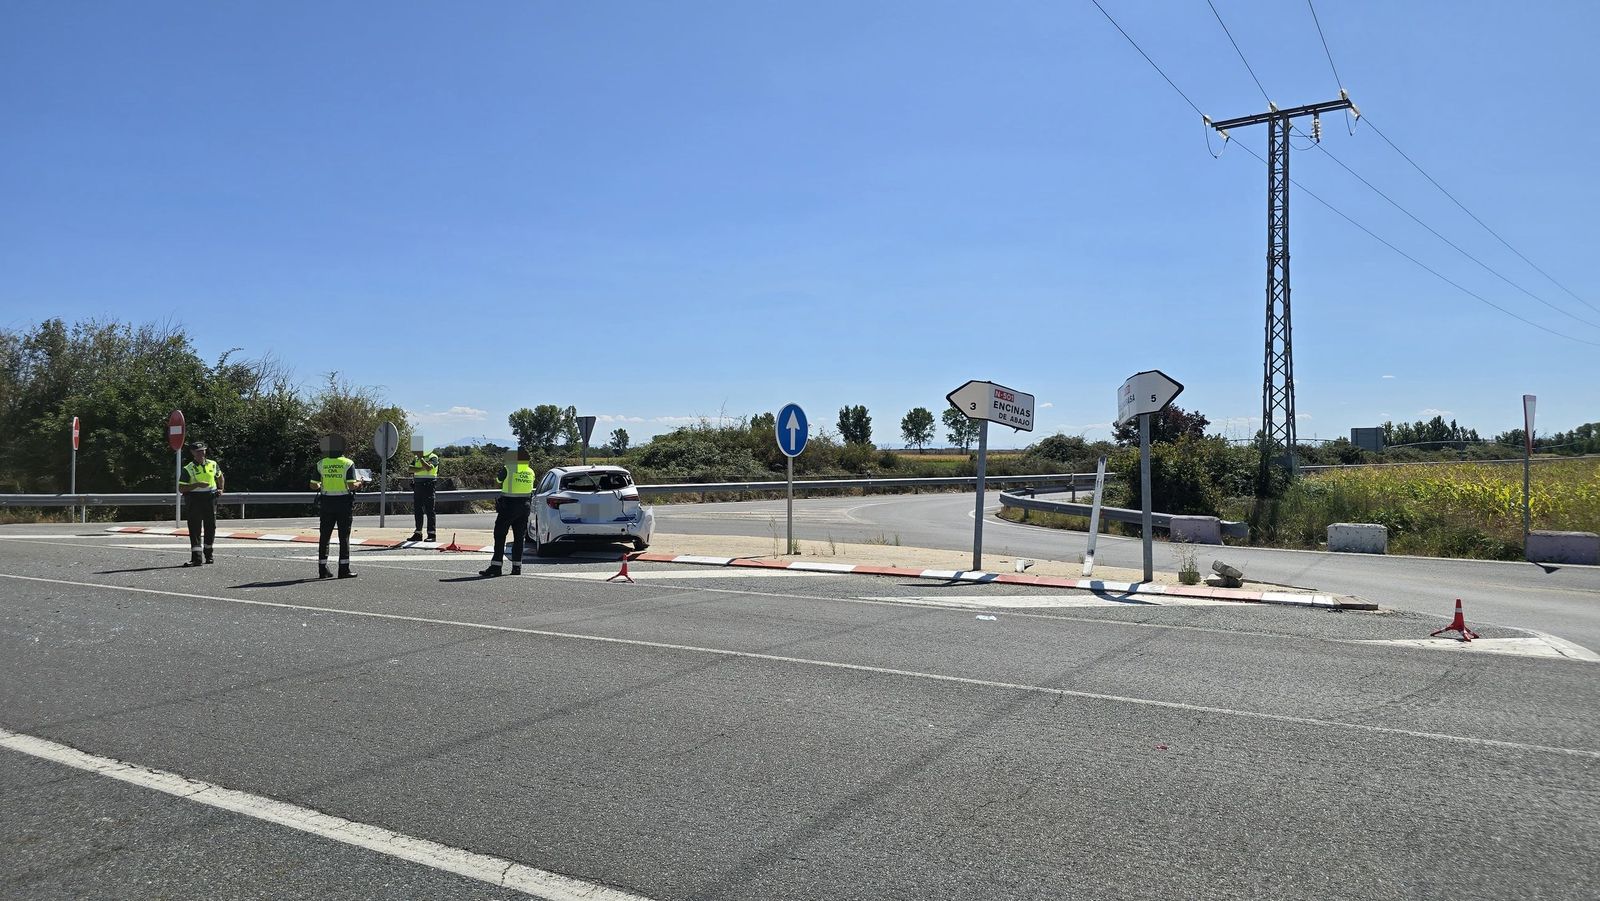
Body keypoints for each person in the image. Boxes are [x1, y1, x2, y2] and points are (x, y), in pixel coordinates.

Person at [309, 435, 364, 579]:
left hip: (326, 503)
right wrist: (361, 483)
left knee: (324, 536)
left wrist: (321, 484)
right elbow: (352, 485)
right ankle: (343, 569)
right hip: (343, 503)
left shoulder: (321, 463)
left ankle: (322, 569)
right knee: (343, 537)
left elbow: (313, 485)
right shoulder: (347, 463)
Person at [481, 449, 535, 577]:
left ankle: (496, 567)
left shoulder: (508, 469)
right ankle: (517, 567)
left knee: (499, 535)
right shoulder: (530, 471)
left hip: (509, 506)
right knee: (519, 538)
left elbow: (498, 481)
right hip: (525, 506)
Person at [178, 441, 224, 566]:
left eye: (203, 450)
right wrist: (197, 485)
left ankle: (209, 555)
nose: (201, 453)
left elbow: (219, 476)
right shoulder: (188, 468)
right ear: (193, 453)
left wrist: (221, 488)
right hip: (194, 499)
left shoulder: (213, 464)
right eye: (198, 451)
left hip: (210, 498)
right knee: (195, 528)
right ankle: (196, 558)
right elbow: (181, 488)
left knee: (211, 526)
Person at [408, 446, 440, 542]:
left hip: (429, 485)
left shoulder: (433, 457)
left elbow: (429, 468)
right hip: (418, 485)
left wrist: (421, 462)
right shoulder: (416, 458)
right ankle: (418, 533)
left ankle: (431, 534)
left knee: (429, 510)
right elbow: (410, 469)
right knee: (418, 509)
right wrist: (422, 468)